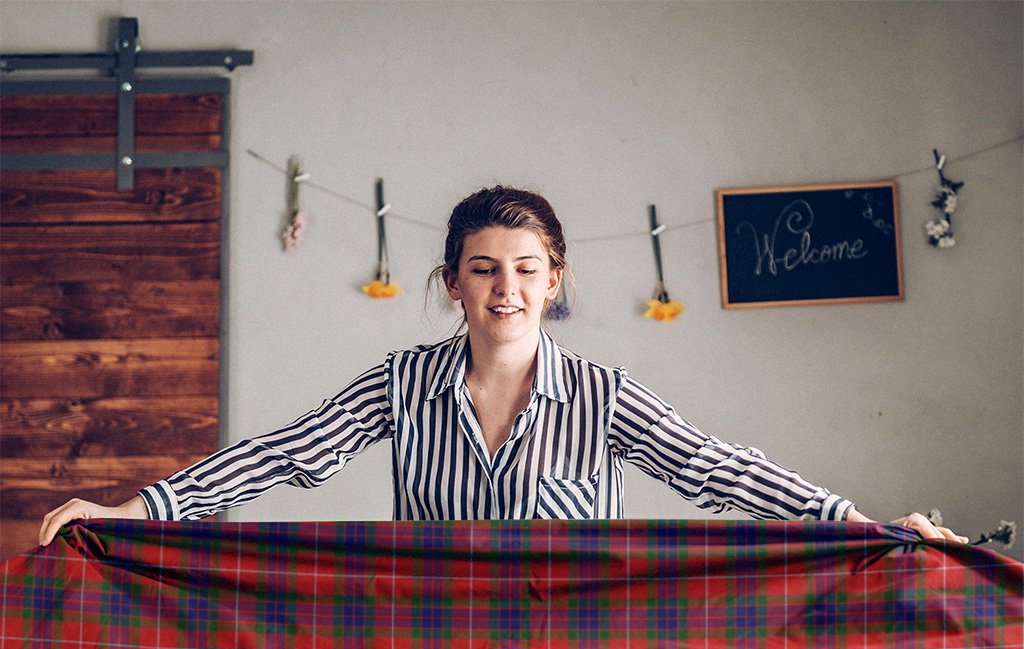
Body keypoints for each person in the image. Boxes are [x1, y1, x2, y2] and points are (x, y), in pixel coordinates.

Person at [38, 186, 968, 547]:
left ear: (555, 281)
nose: (506, 289)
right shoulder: (401, 382)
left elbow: (718, 468)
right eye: (484, 270)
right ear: (453, 283)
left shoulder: (604, 397)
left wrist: (859, 523)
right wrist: (138, 511)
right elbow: (284, 456)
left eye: (526, 271)